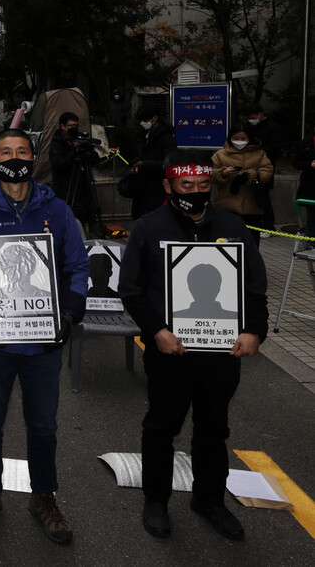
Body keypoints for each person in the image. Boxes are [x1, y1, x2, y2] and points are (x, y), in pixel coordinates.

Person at [0, 128, 88, 544]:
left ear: (33, 157)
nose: (14, 157)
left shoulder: (57, 211)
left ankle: (44, 497)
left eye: (22, 151)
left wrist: (72, 313)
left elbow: (78, 267)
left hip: (43, 342)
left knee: (43, 426)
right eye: (6, 151)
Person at [118, 153, 267, 541]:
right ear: (168, 186)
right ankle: (156, 501)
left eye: (204, 186)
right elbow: (131, 290)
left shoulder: (234, 227)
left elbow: (254, 288)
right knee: (161, 426)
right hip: (170, 351)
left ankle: (209, 500)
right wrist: (157, 331)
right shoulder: (148, 228)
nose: (197, 192)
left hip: (222, 355)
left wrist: (254, 330)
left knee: (214, 430)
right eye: (187, 185)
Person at [210, 124, 273, 246]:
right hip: (226, 206)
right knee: (226, 243)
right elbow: (210, 173)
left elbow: (268, 171)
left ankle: (251, 265)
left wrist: (250, 175)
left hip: (252, 206)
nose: (239, 142)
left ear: (250, 138)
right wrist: (224, 172)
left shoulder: (259, 153)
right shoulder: (220, 154)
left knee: (251, 243)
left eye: (243, 139)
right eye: (236, 138)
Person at [49, 112, 100, 230]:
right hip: (65, 189)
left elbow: (95, 160)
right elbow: (60, 164)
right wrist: (74, 151)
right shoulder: (57, 144)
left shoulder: (80, 139)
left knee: (83, 219)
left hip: (82, 188)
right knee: (68, 221)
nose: (74, 129)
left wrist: (87, 150)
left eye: (76, 126)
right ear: (63, 127)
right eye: (71, 126)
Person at [129, 107, 177, 220]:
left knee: (154, 218)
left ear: (154, 119)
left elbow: (168, 163)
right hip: (142, 186)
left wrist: (144, 164)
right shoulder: (145, 136)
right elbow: (144, 154)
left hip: (157, 188)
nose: (142, 124)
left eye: (145, 121)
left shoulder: (167, 138)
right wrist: (136, 162)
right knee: (140, 216)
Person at [246, 104, 282, 234]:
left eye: (253, 117)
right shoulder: (250, 127)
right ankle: (256, 223)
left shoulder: (273, 127)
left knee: (263, 196)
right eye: (249, 118)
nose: (251, 119)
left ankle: (268, 226)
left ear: (261, 114)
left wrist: (256, 148)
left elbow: (275, 148)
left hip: (265, 167)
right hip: (249, 165)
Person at [292, 130, 315, 238]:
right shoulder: (307, 142)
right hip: (310, 185)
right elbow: (296, 162)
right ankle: (311, 242)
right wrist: (310, 164)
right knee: (312, 215)